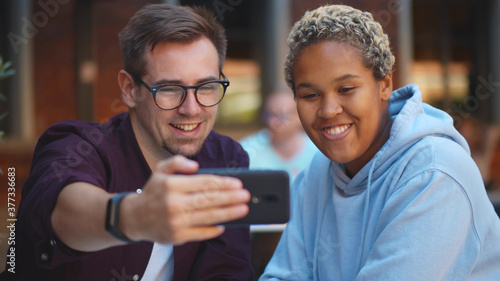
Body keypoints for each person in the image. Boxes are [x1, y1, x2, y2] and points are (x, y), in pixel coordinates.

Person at [2, 4, 255, 281]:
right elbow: (62, 214)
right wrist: (133, 216)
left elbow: (225, 271)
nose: (192, 109)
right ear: (129, 90)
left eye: (206, 87)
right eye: (170, 89)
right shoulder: (74, 146)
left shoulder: (227, 157)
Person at [260, 4, 500, 281]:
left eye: (346, 89)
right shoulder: (318, 170)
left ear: (385, 85)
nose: (328, 110)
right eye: (310, 95)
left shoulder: (434, 173)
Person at [239, 89, 318, 182]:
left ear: (300, 116)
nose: (272, 122)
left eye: (282, 116)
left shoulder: (319, 152)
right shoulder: (246, 151)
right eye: (269, 115)